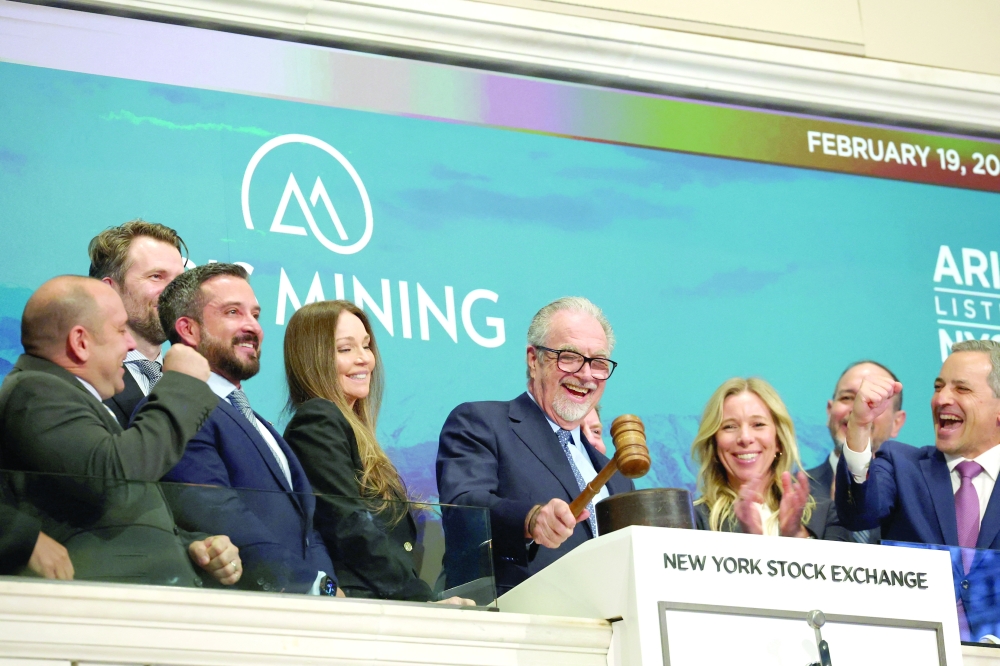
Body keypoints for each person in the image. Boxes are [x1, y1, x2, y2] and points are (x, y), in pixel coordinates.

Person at [0, 275, 239, 586]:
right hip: (98, 605)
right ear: (80, 342)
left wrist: (190, 546)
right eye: (120, 330)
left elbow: (103, 515)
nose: (130, 343)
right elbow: (114, 479)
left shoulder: (70, 398)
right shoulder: (35, 391)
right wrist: (182, 385)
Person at [155, 264, 339, 595]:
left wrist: (327, 587)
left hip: (308, 611)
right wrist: (310, 586)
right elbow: (216, 515)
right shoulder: (177, 412)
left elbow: (306, 529)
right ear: (188, 329)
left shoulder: (260, 424)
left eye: (255, 314)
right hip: (243, 609)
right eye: (233, 312)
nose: (253, 326)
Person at [437, 297, 634, 594]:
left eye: (598, 363)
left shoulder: (617, 477)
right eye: (569, 357)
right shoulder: (481, 423)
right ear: (533, 359)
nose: (586, 374)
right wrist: (530, 520)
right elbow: (463, 510)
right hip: (515, 615)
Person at [282, 300, 470, 604]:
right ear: (313, 359)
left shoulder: (351, 430)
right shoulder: (318, 420)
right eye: (345, 349)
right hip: (357, 608)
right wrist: (421, 601)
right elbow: (349, 527)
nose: (364, 359)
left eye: (366, 346)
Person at [836, 340, 1000, 639]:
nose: (941, 399)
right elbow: (858, 514)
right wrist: (859, 426)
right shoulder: (902, 465)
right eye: (938, 387)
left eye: (962, 389)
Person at [690, 377, 846, 540]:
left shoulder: (827, 516)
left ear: (778, 441)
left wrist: (796, 534)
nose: (745, 437)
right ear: (714, 443)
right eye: (729, 426)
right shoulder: (692, 522)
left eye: (758, 424)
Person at [88, 220, 187, 427]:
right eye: (156, 276)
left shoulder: (194, 385)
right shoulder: (81, 382)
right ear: (109, 290)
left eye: (179, 281)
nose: (175, 292)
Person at [806, 361, 906, 544]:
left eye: (874, 401)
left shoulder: (913, 501)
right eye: (847, 398)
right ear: (829, 411)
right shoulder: (792, 490)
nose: (858, 408)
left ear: (897, 422)